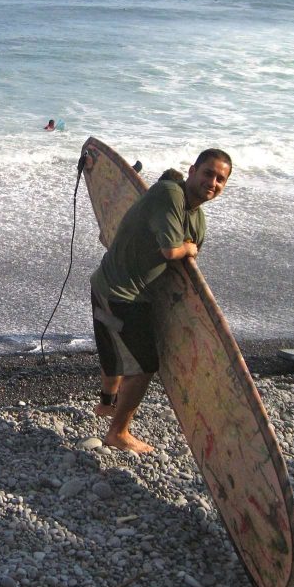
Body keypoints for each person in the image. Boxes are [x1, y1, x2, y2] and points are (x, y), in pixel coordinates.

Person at [90, 150, 232, 452]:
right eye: (208, 173)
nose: (213, 182)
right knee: (143, 366)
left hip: (115, 286)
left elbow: (183, 271)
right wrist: (188, 249)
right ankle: (117, 432)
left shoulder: (197, 219)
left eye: (221, 179)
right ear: (192, 171)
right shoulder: (170, 194)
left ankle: (106, 406)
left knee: (115, 348)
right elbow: (172, 252)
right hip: (119, 291)